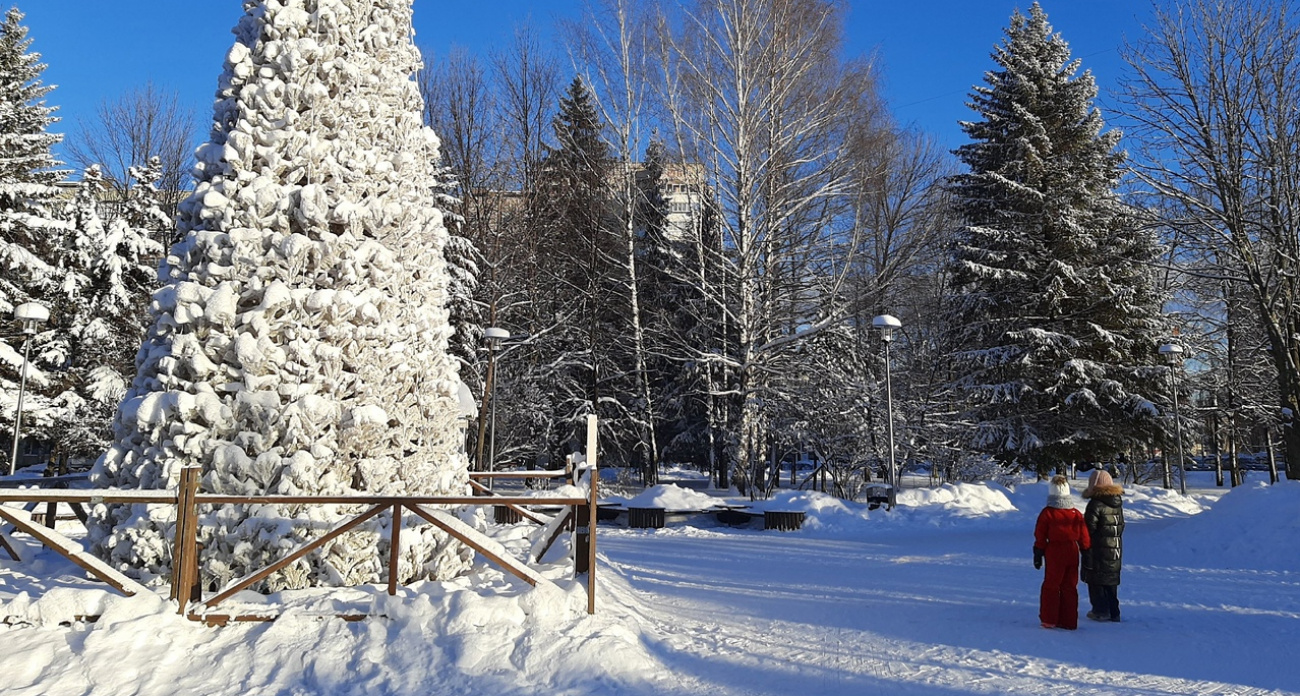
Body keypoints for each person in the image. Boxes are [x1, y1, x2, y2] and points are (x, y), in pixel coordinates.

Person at [1033, 475, 1090, 629]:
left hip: (1054, 551)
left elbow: (1040, 534)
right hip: (1072, 550)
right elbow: (1084, 534)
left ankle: (1049, 619)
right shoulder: (1075, 513)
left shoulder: (1047, 513)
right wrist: (1085, 550)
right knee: (1070, 586)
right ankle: (1069, 620)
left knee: (1052, 585)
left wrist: (1038, 551)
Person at [1082, 468, 1125, 622]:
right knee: (1111, 581)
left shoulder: (1095, 504)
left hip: (1098, 549)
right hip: (1115, 549)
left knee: (1096, 580)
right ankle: (1114, 611)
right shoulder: (1117, 503)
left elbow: (1089, 528)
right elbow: (1121, 526)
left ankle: (1100, 610)